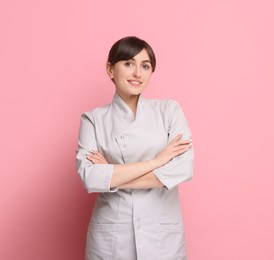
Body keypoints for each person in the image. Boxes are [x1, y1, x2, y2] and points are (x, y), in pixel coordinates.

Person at [76, 36, 194, 260]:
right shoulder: (93, 120)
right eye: (129, 63)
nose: (138, 73)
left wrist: (112, 174)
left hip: (162, 235)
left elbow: (183, 168)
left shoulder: (169, 111)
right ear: (110, 70)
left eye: (145, 66)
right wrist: (156, 162)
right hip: (112, 237)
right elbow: (90, 178)